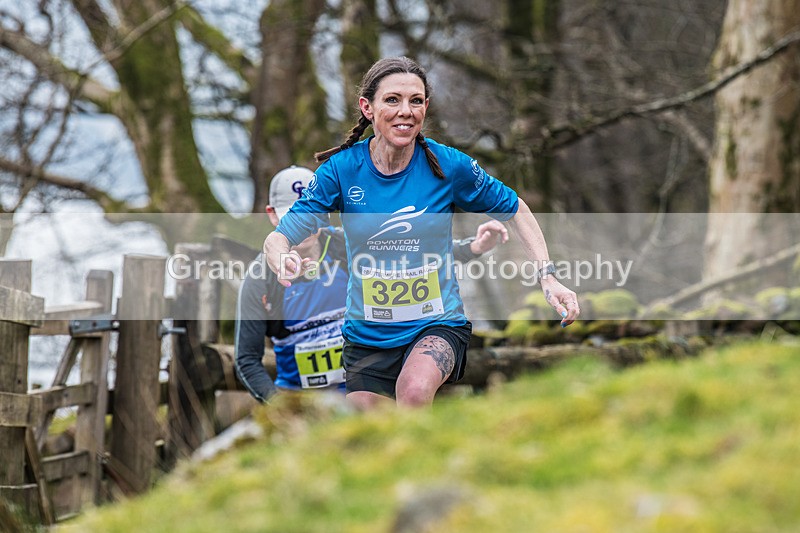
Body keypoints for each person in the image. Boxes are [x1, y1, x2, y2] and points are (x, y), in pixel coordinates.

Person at [263, 56, 580, 410]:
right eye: (393, 100)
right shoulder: (341, 171)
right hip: (367, 337)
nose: (406, 111)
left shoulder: (448, 166)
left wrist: (547, 276)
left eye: (416, 101)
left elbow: (516, 208)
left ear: (426, 107)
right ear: (367, 108)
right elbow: (278, 237)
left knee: (413, 392)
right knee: (372, 429)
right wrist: (282, 258)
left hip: (437, 324)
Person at [236, 165, 509, 402]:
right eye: (291, 216)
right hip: (303, 405)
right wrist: (280, 409)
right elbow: (247, 360)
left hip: (366, 395)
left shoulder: (348, 244)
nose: (304, 225)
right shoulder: (260, 278)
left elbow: (413, 254)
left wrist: (472, 247)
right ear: (272, 215)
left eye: (310, 214)